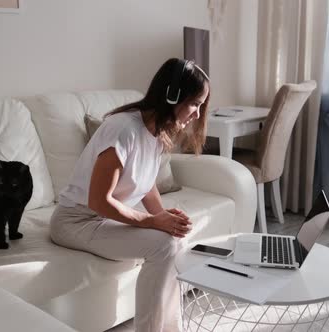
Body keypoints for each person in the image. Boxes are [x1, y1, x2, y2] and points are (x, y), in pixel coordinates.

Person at [49, 58, 210, 332]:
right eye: (195, 103)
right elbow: (99, 201)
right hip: (76, 221)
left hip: (102, 219)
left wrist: (162, 216)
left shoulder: (157, 130)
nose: (197, 114)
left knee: (175, 239)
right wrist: (151, 222)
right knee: (164, 246)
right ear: (173, 96)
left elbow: (145, 182)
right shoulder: (123, 129)